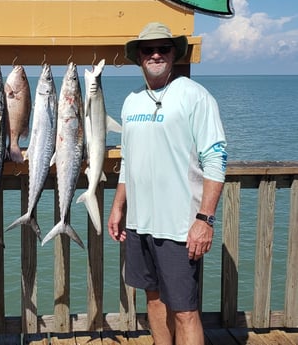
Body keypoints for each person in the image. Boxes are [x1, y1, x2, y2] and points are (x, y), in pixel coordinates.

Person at [108, 22, 227, 345]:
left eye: (164, 48)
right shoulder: (132, 102)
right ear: (139, 57)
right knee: (154, 300)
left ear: (175, 53)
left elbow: (216, 159)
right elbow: (129, 164)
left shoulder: (195, 96)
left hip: (180, 226)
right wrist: (118, 207)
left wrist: (204, 220)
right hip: (140, 223)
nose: (156, 54)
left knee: (185, 310)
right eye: (149, 50)